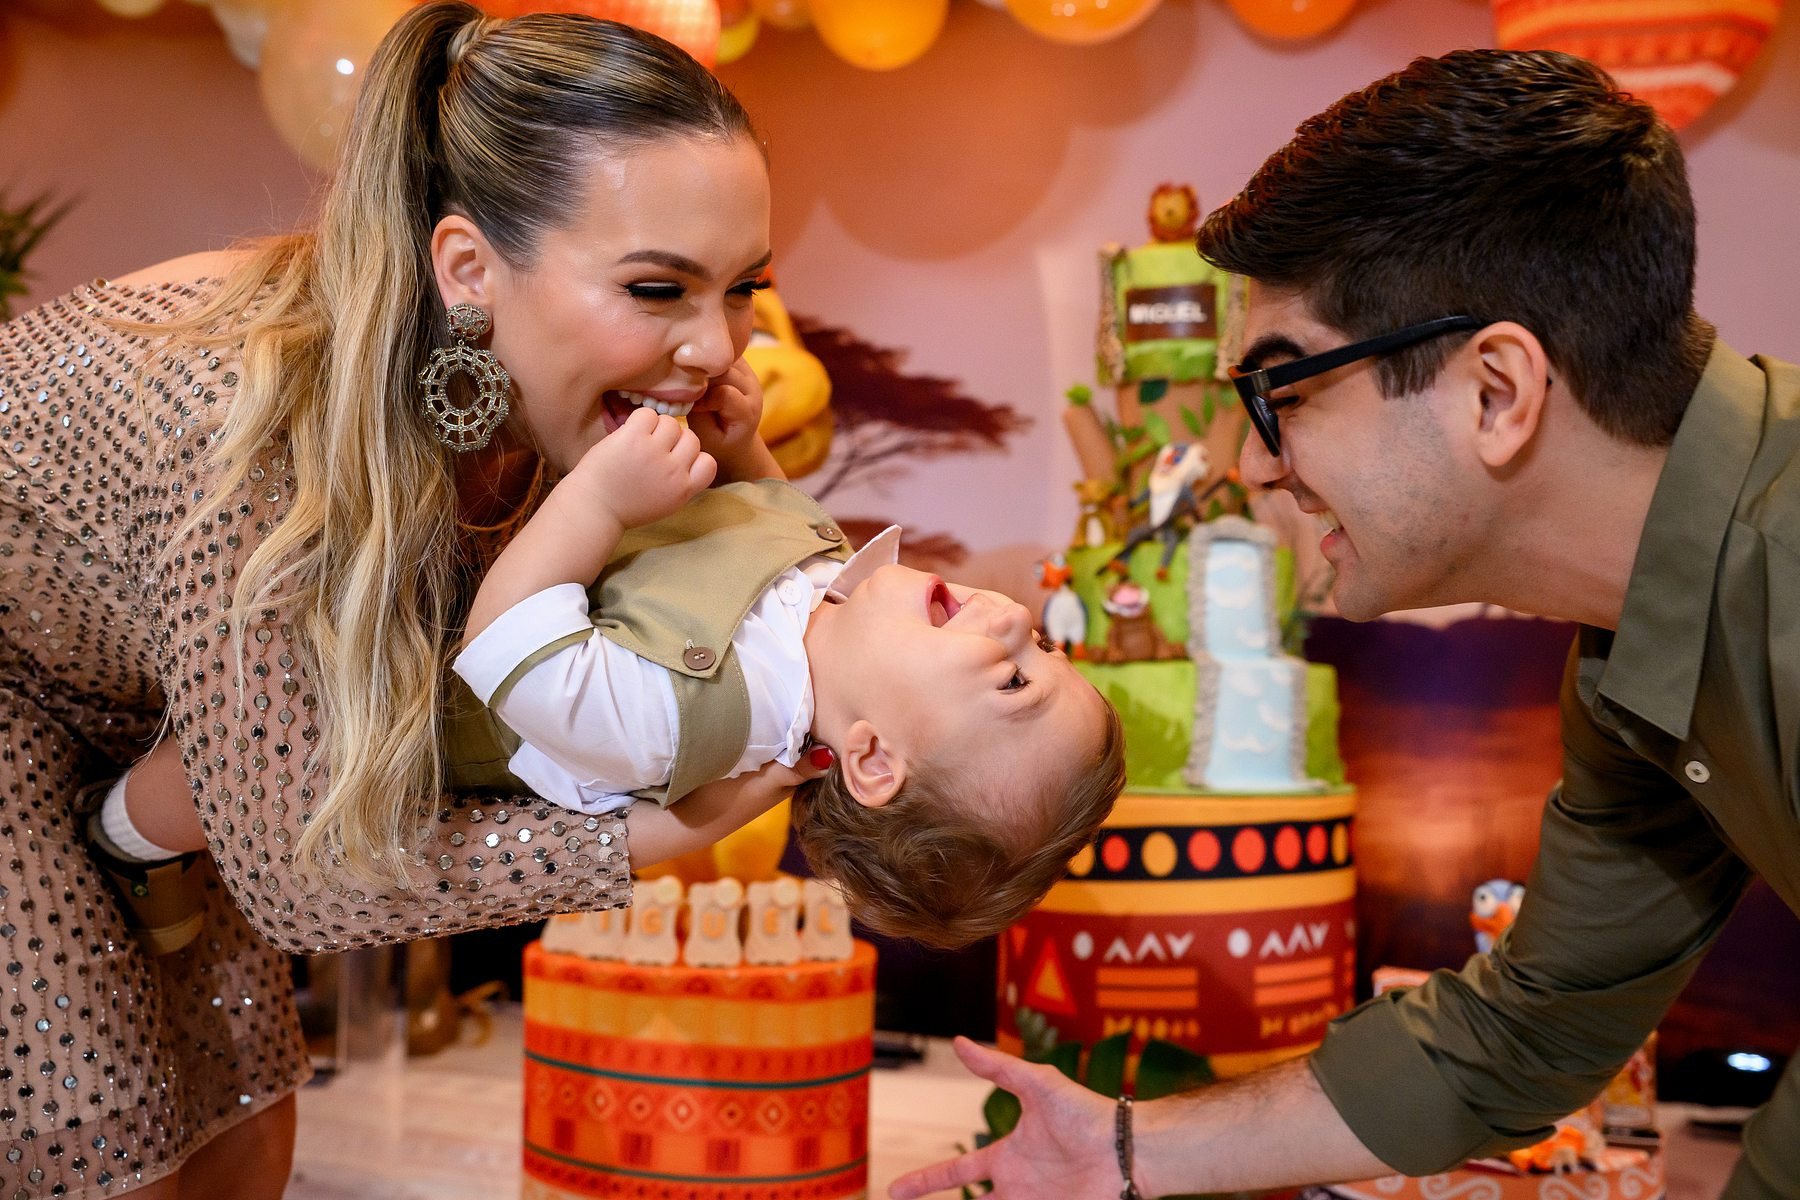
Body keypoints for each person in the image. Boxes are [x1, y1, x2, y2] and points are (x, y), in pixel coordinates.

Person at [892, 48, 1800, 1200]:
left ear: (1495, 392)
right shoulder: (1631, 655)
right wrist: (1129, 1150)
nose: (1257, 469)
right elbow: (1532, 1026)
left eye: (1284, 394)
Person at [0, 4, 839, 1196]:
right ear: (468, 270)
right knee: (101, 1142)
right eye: (660, 289)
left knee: (242, 1124)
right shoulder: (255, 422)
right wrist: (642, 843)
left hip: (149, 726)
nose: (718, 346)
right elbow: (305, 876)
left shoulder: (559, 415)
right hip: (17, 694)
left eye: (743, 287)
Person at [100, 405, 1127, 953]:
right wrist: (742, 444)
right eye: (1048, 646)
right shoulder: (829, 599)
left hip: (370, 712)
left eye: (1012, 682)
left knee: (217, 774)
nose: (1017, 621)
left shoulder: (690, 719)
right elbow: (768, 520)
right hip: (397, 595)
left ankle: (122, 839)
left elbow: (507, 646)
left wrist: (598, 497)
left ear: (870, 759)